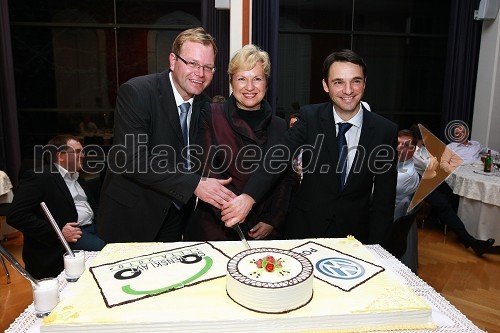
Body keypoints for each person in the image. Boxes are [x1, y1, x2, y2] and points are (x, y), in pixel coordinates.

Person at [221, 49, 398, 247]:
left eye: (355, 81)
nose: (348, 90)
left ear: (364, 83)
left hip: (355, 237)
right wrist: (249, 196)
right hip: (305, 232)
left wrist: (377, 250)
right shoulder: (309, 118)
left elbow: (384, 201)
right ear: (326, 85)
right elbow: (278, 157)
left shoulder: (385, 131)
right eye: (338, 82)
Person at [97, 27, 235, 243]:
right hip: (132, 215)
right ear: (173, 61)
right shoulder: (138, 92)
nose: (200, 73)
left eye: (208, 67)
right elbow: (132, 160)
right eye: (192, 63)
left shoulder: (206, 106)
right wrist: (194, 184)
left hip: (177, 214)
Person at [184, 44, 292, 241]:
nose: (249, 87)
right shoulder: (211, 114)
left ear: (266, 83)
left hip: (262, 230)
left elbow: (284, 178)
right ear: (231, 83)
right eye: (242, 79)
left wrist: (273, 220)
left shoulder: (279, 125)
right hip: (218, 225)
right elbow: (208, 167)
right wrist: (233, 211)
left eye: (257, 79)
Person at [8, 134, 105, 279]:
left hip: (92, 229)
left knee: (123, 242)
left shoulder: (79, 179)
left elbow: (93, 208)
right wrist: (58, 233)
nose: (83, 155)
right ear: (61, 156)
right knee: (108, 252)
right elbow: (16, 215)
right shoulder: (40, 177)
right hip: (68, 238)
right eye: (78, 151)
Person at [410, 124, 495, 256]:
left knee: (454, 191)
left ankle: (441, 220)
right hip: (418, 183)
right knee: (443, 205)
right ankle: (471, 242)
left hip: (429, 179)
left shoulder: (423, 149)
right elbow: (429, 165)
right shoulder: (413, 150)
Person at [395, 129, 419, 209]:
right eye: (397, 143)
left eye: (405, 145)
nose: (398, 147)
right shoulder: (397, 164)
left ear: (413, 149)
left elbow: (373, 195)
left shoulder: (406, 175)